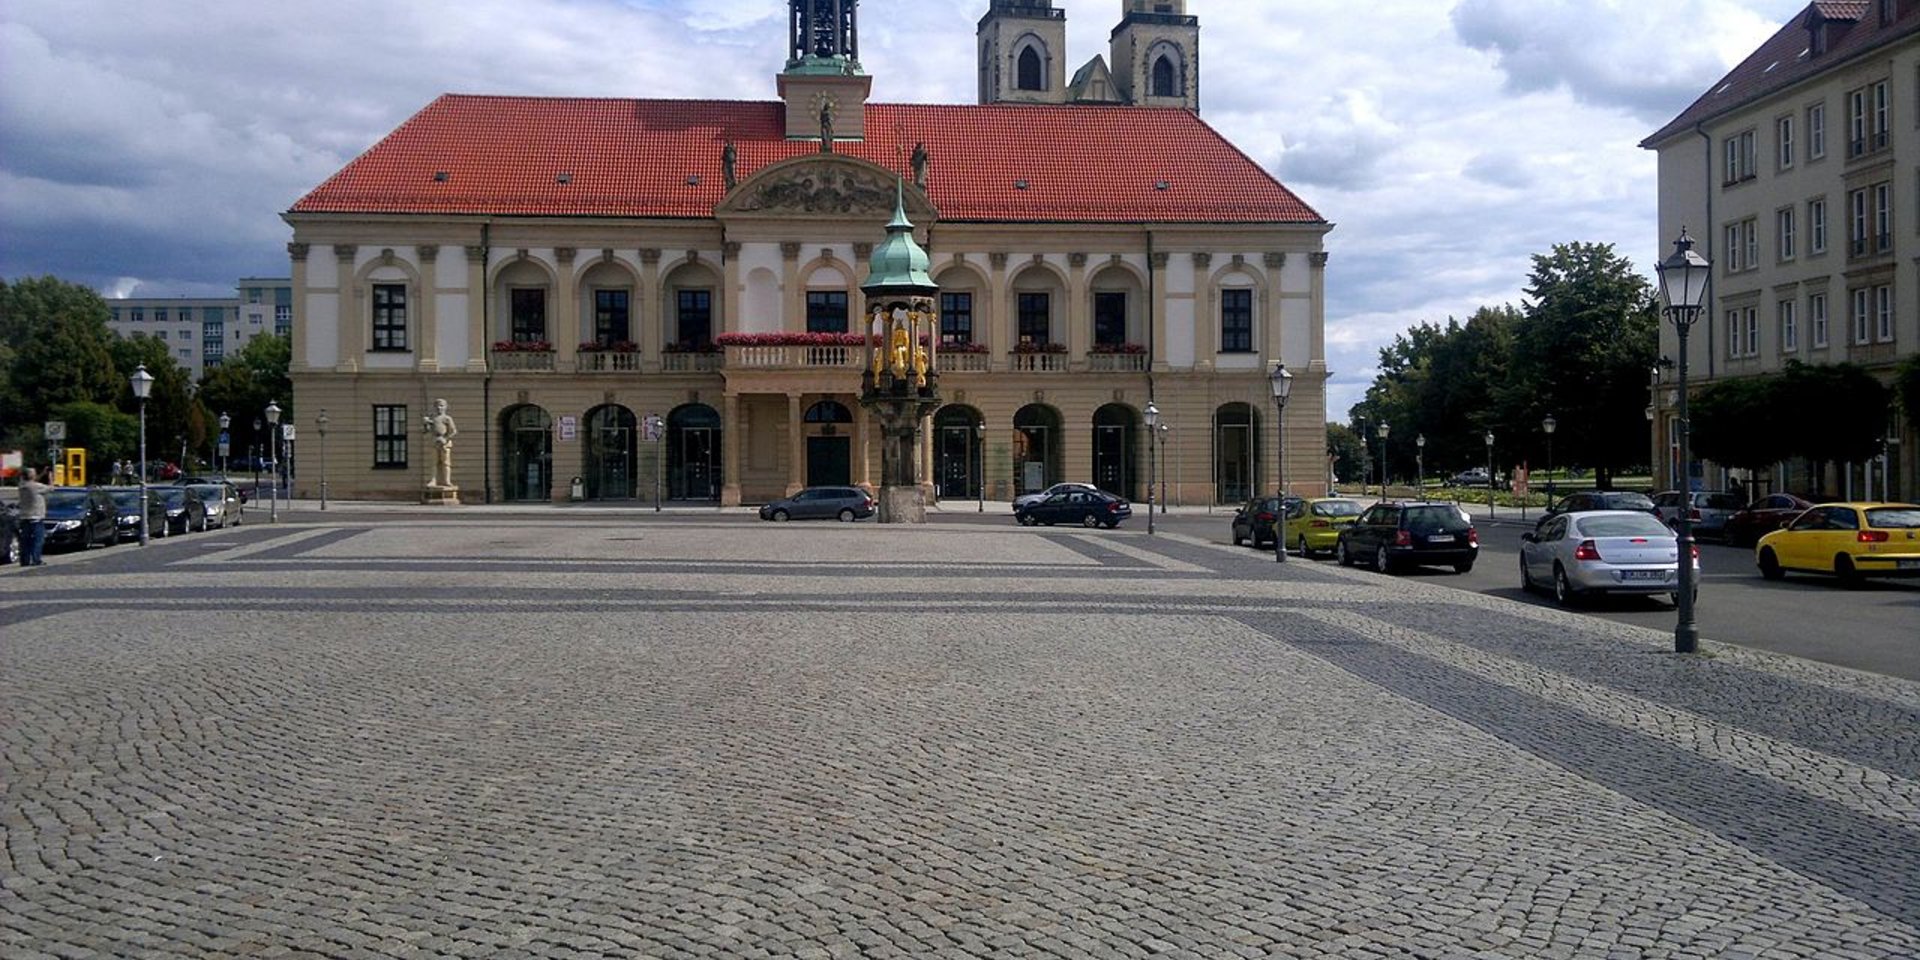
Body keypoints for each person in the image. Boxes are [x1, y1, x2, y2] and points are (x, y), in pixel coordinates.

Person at [17, 466, 49, 567]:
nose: (35, 474)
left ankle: (25, 561)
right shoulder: (37, 487)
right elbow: (51, 488)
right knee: (38, 540)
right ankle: (36, 560)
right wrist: (50, 477)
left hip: (24, 517)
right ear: (31, 475)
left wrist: (43, 473)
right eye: (34, 473)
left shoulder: (22, 485)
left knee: (25, 541)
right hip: (36, 517)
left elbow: (33, 482)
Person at [424, 399, 459, 489]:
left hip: (444, 442)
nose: (439, 408)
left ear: (445, 407)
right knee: (434, 462)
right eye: (437, 406)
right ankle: (433, 480)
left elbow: (454, 431)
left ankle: (447, 481)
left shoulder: (447, 418)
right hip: (434, 441)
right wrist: (426, 424)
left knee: (446, 463)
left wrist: (445, 438)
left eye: (442, 406)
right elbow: (426, 431)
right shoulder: (432, 418)